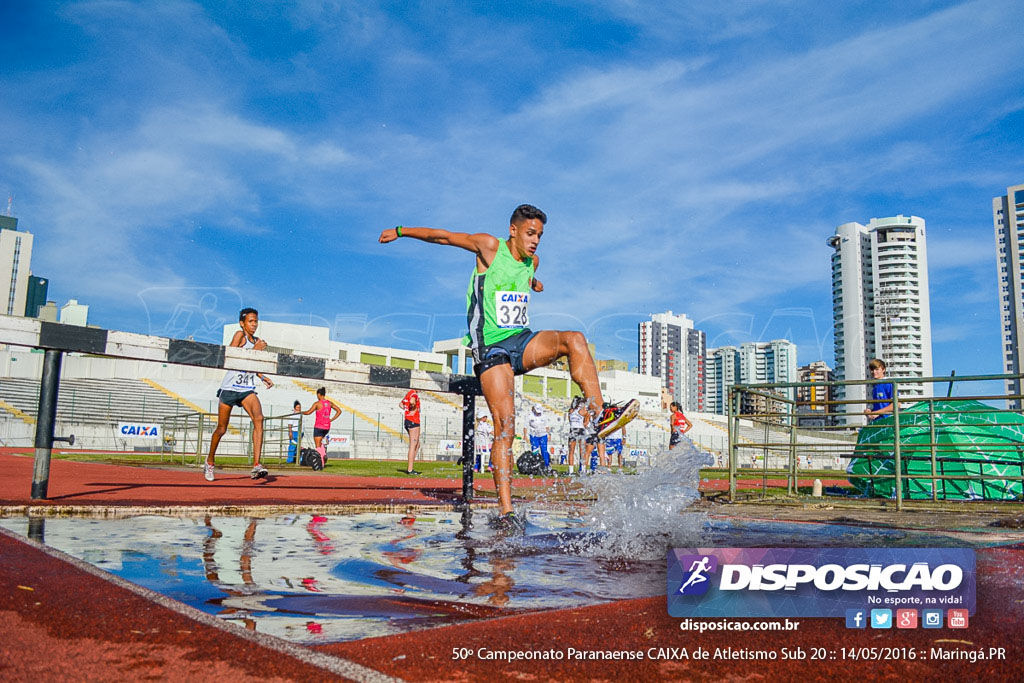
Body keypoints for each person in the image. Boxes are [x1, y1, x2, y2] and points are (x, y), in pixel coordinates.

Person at [379, 204, 638, 530]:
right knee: (506, 428)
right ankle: (506, 510)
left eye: (540, 236)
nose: (536, 241)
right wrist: (401, 231)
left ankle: (599, 414)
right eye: (531, 234)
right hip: (491, 349)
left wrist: (534, 282)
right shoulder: (489, 247)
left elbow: (524, 277)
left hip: (521, 341)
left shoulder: (532, 261)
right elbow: (443, 238)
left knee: (574, 339)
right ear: (513, 230)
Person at [205, 307, 273, 482]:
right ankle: (210, 461)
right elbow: (230, 358)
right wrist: (255, 351)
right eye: (251, 321)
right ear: (242, 323)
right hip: (230, 388)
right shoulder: (239, 336)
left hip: (246, 390)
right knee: (221, 429)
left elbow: (251, 365)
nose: (254, 325)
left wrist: (262, 376)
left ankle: (257, 464)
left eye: (256, 321)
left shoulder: (257, 341)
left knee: (259, 418)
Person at [302, 388, 342, 458]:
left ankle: (321, 459)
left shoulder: (317, 403)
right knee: (321, 443)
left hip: (319, 426)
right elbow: (339, 411)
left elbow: (308, 412)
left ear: (319, 394)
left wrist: (301, 412)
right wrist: (331, 419)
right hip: (327, 427)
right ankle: (323, 453)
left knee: (317, 445)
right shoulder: (329, 403)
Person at [400, 389, 422, 475]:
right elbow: (412, 402)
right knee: (413, 445)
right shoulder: (414, 394)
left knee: (417, 444)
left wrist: (407, 411)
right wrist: (413, 409)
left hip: (408, 421)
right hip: (413, 421)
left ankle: (411, 464)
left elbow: (401, 404)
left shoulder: (407, 394)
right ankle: (410, 469)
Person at [524, 404, 551, 469]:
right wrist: (525, 435)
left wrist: (549, 434)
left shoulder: (544, 416)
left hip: (543, 435)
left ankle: (546, 466)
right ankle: (536, 465)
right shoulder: (530, 416)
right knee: (535, 451)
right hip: (534, 436)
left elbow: (547, 426)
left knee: (544, 450)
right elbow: (525, 427)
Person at [567, 396, 586, 472]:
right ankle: (583, 469)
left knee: (571, 451)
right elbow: (587, 418)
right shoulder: (582, 410)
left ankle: (571, 471)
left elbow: (570, 421)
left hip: (573, 430)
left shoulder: (570, 410)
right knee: (581, 451)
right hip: (580, 430)